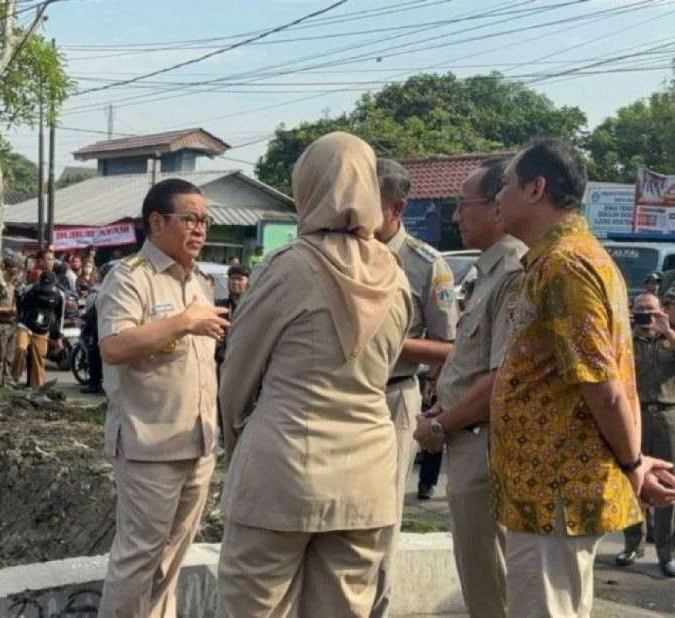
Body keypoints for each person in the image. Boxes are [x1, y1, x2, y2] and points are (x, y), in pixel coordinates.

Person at [216, 132, 411, 617]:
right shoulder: (397, 274)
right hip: (367, 478)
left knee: (252, 607)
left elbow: (236, 379)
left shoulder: (287, 267)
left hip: (280, 471)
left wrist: (235, 444)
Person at [490, 138, 675, 617]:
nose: (497, 197)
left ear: (536, 189)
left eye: (506, 185)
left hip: (555, 493)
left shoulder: (565, 265)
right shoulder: (570, 258)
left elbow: (604, 387)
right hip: (551, 493)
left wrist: (633, 463)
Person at [96, 178, 226, 617]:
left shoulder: (201, 282)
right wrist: (183, 324)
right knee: (138, 558)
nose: (200, 229)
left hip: (198, 442)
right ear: (157, 221)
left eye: (205, 220)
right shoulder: (130, 278)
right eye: (190, 218)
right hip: (149, 446)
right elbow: (113, 347)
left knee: (171, 559)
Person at [412, 157, 527, 618]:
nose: (458, 217)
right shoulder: (490, 270)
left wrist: (440, 426)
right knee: (479, 577)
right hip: (468, 441)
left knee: (490, 585)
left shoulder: (514, 270)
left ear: (498, 207)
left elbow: (504, 375)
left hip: (485, 444)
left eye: (465, 205)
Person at [370, 157, 458, 618]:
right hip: (337, 397)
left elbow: (448, 348)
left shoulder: (427, 264)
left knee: (382, 517)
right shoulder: (341, 250)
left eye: (369, 199)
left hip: (392, 396)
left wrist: (384, 339)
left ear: (396, 207)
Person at [618, 290, 675, 577]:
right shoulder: (625, 339)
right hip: (634, 416)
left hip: (667, 416)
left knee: (668, 484)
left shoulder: (670, 340)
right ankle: (632, 545)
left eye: (651, 309)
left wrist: (670, 332)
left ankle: (667, 553)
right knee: (632, 482)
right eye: (640, 309)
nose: (646, 315)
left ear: (661, 311)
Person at [13, 270, 64, 388]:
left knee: (38, 358)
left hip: (42, 329)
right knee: (21, 348)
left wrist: (58, 337)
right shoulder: (30, 290)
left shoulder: (59, 295)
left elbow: (59, 316)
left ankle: (36, 386)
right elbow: (20, 307)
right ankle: (12, 378)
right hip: (25, 324)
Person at [0, 258, 21, 385]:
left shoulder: (13, 287)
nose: (14, 275)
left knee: (9, 357)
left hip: (12, 324)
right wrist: (7, 310)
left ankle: (6, 381)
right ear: (4, 270)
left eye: (15, 273)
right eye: (11, 272)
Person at [214, 265, 250, 368]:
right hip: (221, 361)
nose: (235, 282)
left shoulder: (254, 308)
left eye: (240, 279)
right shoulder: (218, 306)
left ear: (249, 282)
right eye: (232, 278)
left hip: (245, 361)